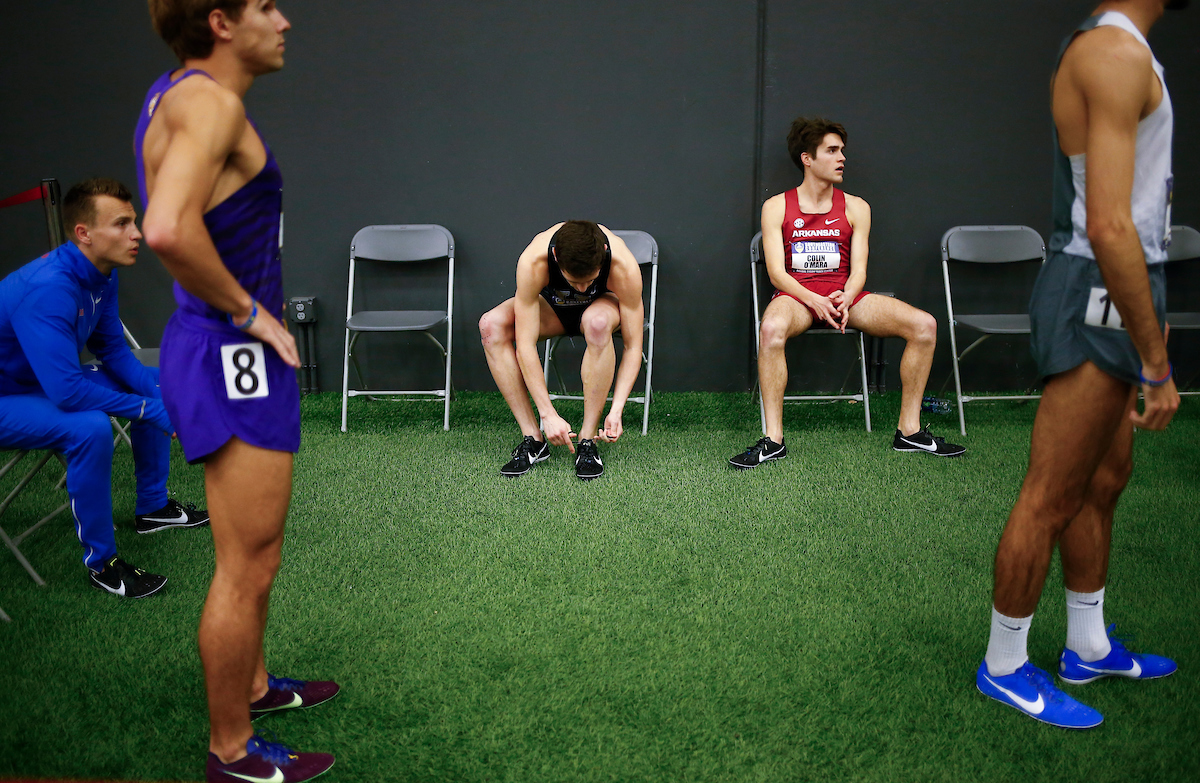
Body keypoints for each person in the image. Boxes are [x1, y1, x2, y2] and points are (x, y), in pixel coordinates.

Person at [139, 1, 336, 779]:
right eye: (264, 6)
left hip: (218, 346)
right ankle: (231, 749)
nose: (284, 20)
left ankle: (252, 686)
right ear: (220, 21)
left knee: (258, 552)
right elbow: (165, 227)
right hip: (229, 354)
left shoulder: (174, 92)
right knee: (245, 562)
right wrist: (250, 313)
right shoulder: (210, 103)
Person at [976, 0, 1185, 730]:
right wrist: (1157, 363)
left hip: (1122, 281)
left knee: (1104, 479)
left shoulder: (1126, 52)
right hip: (1097, 282)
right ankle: (1004, 664)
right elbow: (1107, 221)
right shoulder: (1111, 54)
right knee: (1052, 493)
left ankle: (1088, 644)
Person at [0, 178, 208, 598]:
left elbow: (113, 350)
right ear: (84, 233)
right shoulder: (48, 288)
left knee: (155, 381)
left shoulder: (102, 274)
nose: (137, 234)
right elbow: (68, 394)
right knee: (89, 427)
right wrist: (151, 411)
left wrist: (155, 399)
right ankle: (103, 564)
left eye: (134, 222)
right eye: (122, 224)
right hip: (9, 396)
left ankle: (152, 507)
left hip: (38, 385)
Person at [730, 117, 965, 469]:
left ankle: (910, 432)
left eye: (842, 150)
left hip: (845, 297)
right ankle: (773, 439)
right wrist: (813, 300)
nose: (842, 158)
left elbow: (859, 270)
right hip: (798, 298)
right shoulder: (776, 207)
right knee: (770, 329)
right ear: (807, 159)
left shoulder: (857, 206)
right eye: (832, 150)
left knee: (925, 325)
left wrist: (845, 295)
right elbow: (777, 274)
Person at [479, 220, 644, 479]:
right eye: (573, 280)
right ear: (555, 256)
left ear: (603, 254)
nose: (581, 289)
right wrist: (548, 415)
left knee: (598, 324)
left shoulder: (623, 266)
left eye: (589, 280)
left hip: (599, 310)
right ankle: (534, 439)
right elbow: (525, 344)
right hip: (552, 309)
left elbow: (634, 347)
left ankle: (587, 442)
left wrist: (617, 409)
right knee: (491, 325)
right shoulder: (534, 261)